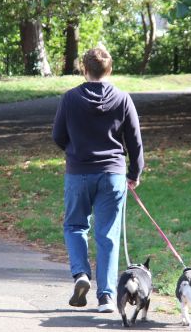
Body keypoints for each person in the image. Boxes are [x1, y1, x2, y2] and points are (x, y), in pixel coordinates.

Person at [52, 47, 144, 313]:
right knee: (108, 236)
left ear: (84, 69)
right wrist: (134, 173)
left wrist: (75, 150)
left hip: (78, 172)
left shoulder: (70, 99)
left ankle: (81, 274)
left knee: (75, 226)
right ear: (110, 70)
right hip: (113, 175)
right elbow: (135, 141)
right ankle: (105, 297)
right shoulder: (123, 99)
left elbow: (58, 135)